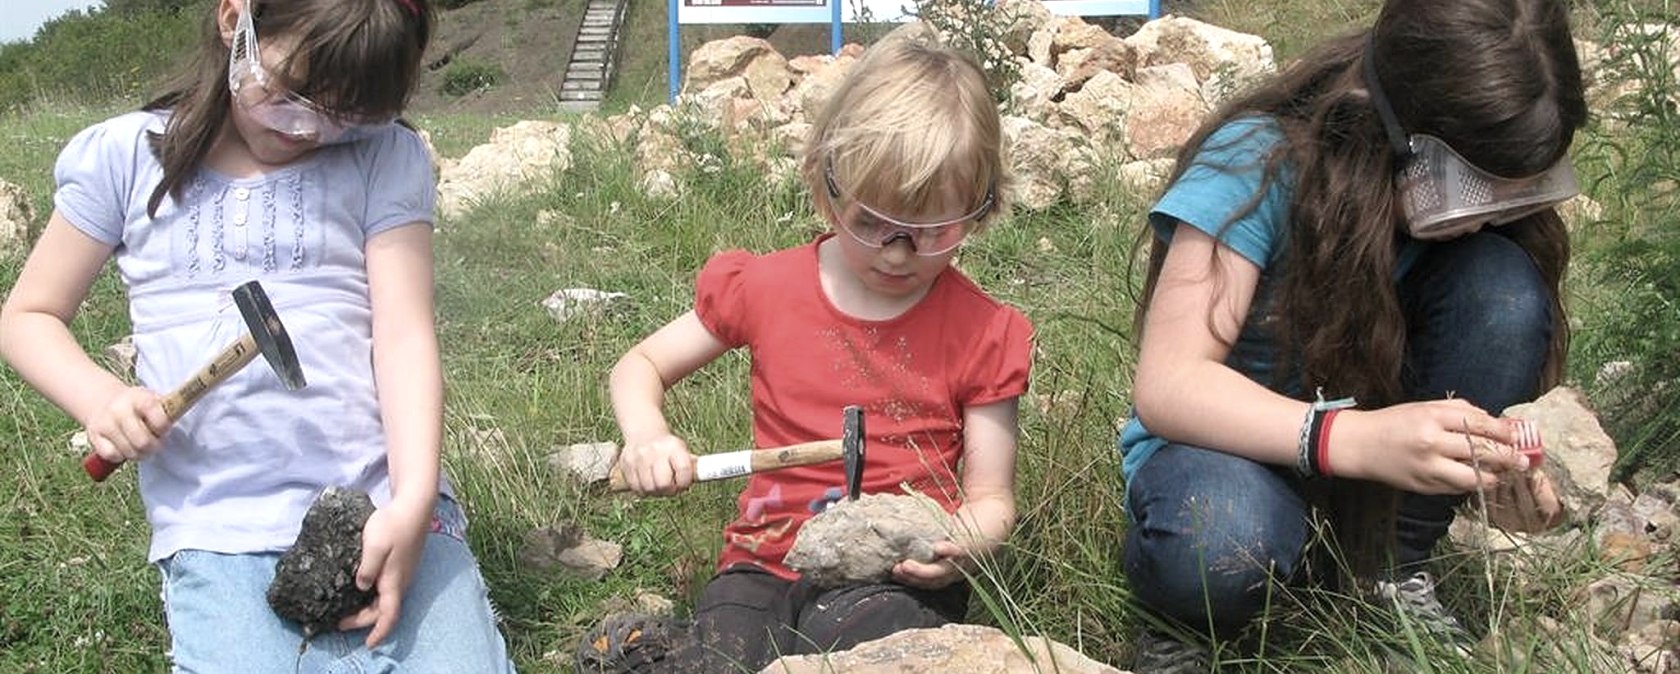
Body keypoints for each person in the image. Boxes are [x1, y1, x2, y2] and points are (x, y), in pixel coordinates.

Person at [0, 0, 516, 671]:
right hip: (219, 521)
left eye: (346, 113)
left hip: (382, 499)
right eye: (288, 95)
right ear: (233, 21)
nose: (307, 128)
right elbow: (28, 316)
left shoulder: (381, 156)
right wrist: (100, 400)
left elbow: (404, 337)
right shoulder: (124, 157)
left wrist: (414, 501)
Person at [1117, 0, 1586, 670]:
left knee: (1504, 290)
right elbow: (1169, 384)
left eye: (1513, 196)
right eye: (1469, 192)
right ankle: (1187, 621)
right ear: (1390, 127)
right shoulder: (1255, 160)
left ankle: (1389, 570)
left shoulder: (1477, 239)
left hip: (1372, 471)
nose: (1485, 221)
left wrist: (1497, 475)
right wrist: (1352, 438)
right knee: (1219, 548)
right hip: (1227, 455)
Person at [576, 34, 1034, 673]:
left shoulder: (983, 333)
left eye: (932, 232)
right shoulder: (767, 288)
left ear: (979, 213)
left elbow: (992, 498)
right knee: (725, 654)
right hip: (760, 561)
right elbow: (639, 366)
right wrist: (648, 435)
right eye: (873, 222)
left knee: (878, 647)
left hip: (890, 576)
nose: (897, 252)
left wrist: (964, 542)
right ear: (828, 187)